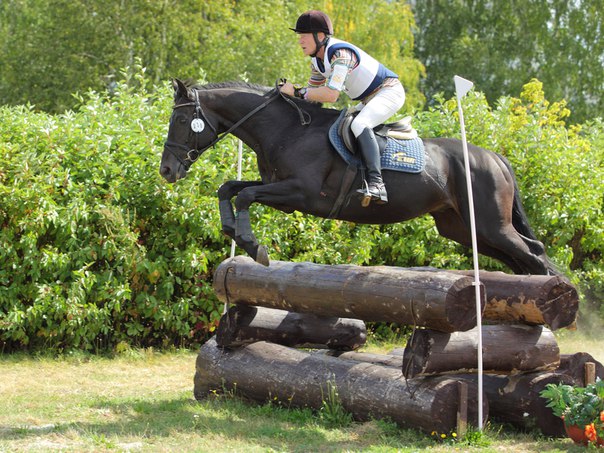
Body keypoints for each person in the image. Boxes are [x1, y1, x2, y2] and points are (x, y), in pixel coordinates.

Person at [280, 10, 406, 205]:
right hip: (368, 99)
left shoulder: (341, 55)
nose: (300, 41)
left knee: (359, 124)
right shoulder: (317, 62)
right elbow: (312, 98)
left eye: (304, 36)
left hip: (388, 92)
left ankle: (377, 183)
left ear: (319, 36)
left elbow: (331, 95)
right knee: (339, 125)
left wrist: (296, 91)